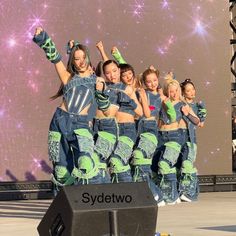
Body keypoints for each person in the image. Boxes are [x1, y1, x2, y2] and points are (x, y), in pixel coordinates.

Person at [32, 27, 104, 191]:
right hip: (59, 121)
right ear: (72, 61)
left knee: (86, 163)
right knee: (61, 170)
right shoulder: (67, 77)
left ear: (88, 58)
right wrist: (44, 38)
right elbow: (55, 59)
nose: (81, 61)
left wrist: (102, 92)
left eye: (83, 57)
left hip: (80, 125)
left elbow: (105, 107)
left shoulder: (97, 80)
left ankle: (92, 202)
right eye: (76, 59)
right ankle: (66, 207)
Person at [152, 77, 199, 204]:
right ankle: (163, 192)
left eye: (176, 90)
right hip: (160, 135)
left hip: (175, 136)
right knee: (155, 167)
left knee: (167, 164)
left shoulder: (183, 104)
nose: (174, 93)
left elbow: (197, 121)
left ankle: (175, 194)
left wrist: (188, 114)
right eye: (171, 91)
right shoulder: (163, 101)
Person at [178, 78, 207, 202]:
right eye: (188, 90)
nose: (191, 92)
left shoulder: (197, 106)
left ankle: (191, 192)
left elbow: (200, 124)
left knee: (188, 164)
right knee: (178, 164)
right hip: (178, 136)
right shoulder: (180, 104)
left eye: (193, 89)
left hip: (190, 137)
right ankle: (179, 191)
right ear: (183, 93)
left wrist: (190, 113)